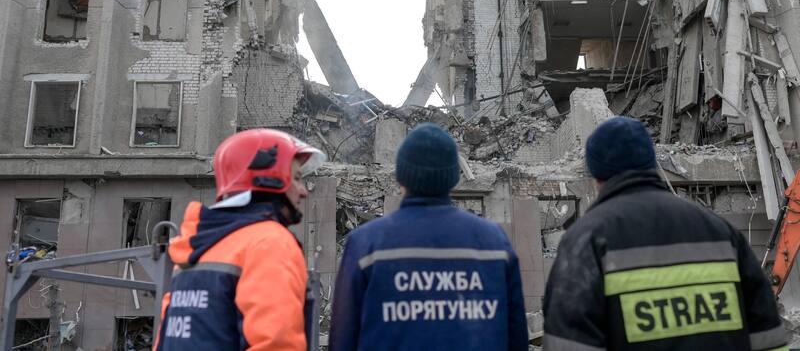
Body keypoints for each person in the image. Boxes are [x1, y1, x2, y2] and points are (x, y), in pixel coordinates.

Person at [543, 116, 787, 351]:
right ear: (651, 164)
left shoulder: (585, 240)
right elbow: (768, 336)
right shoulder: (720, 231)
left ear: (596, 175)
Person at [329, 123, 529, 351]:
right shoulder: (494, 243)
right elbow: (517, 338)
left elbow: (342, 339)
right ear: (454, 177)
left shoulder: (366, 244)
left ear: (401, 177)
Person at [154, 129, 325, 350]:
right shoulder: (268, 242)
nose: (303, 191)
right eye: (297, 178)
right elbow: (275, 344)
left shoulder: (197, 247)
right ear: (270, 180)